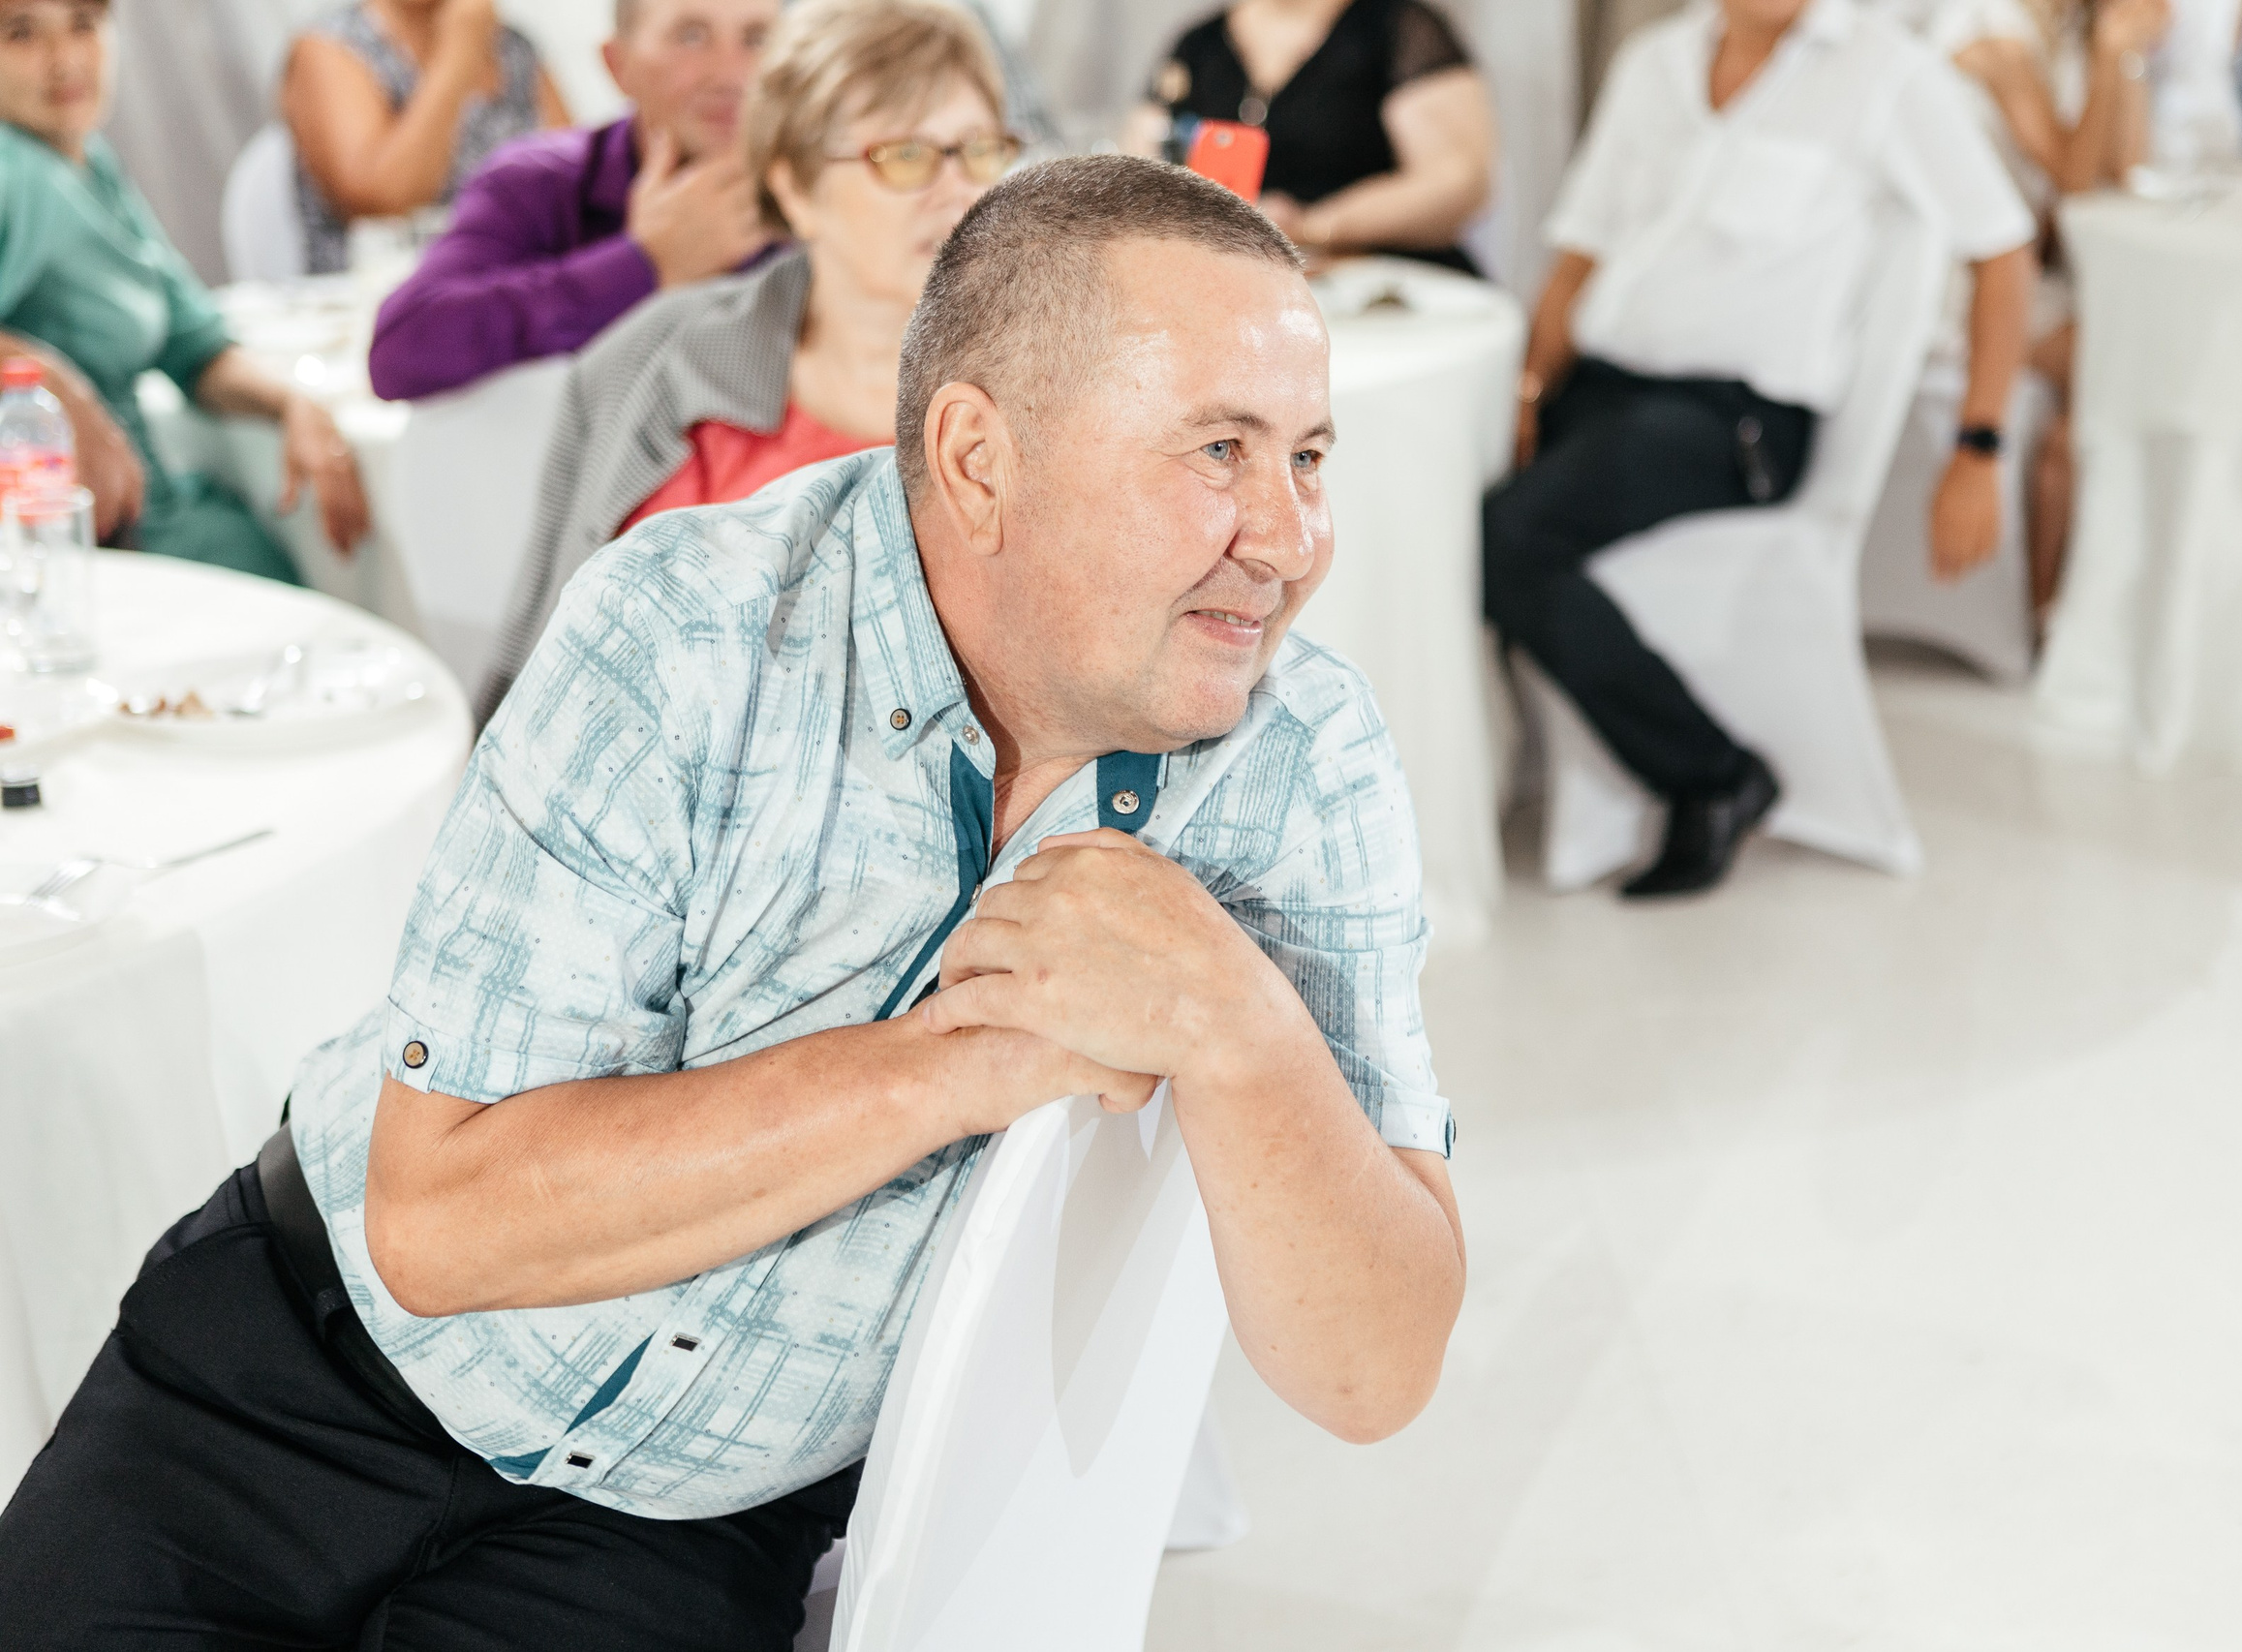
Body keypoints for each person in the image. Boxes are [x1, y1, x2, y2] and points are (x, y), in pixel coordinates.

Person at [0, 151, 1465, 1643]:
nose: (1290, 539)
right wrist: (962, 1062)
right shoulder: (687, 627)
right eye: (1218, 451)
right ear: (980, 460)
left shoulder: (1306, 766)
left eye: (1308, 457)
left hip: (690, 1520)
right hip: (300, 1366)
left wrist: (1238, 1023)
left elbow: (1376, 1370)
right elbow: (436, 1226)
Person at [1485, 0, 2035, 898]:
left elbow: (2003, 252)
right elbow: (1580, 252)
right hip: (1601, 386)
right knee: (1451, 503)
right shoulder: (1654, 63)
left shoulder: (1886, 72)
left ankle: (1712, 774)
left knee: (1507, 535)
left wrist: (1979, 448)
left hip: (1734, 422)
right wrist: (1527, 393)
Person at [481, 0, 1015, 718]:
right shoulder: (656, 359)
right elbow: (539, 646)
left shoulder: (1048, 395)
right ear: (795, 187)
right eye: (905, 155)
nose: (957, 190)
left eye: (979, 150)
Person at [0, 0, 366, 578]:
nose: (64, 60)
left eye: (83, 25)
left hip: (157, 515)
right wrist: (46, 382)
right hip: (75, 549)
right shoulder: (11, 171)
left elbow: (193, 343)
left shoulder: (89, 163)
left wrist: (292, 404)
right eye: (21, 34)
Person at [1891, 0, 2168, 617]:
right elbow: (2075, 183)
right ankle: (2048, 605)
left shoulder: (2061, 32)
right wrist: (2109, 56)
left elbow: (2127, 174)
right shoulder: (1992, 33)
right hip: (1963, 289)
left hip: (2026, 272)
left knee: (2134, 344)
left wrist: (2124, 57)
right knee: (2133, 350)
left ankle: (2071, 559)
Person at [368, 0, 779, 403]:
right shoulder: (537, 183)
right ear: (618, 64)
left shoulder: (811, 196)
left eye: (757, 38)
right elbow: (402, 350)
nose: (731, 74)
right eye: (690, 36)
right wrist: (642, 264)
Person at [1129, 0, 1493, 271]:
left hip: (1384, 280)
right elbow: (1135, 171)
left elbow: (1458, 183)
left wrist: (1312, 226)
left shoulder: (1395, 26)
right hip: (1242, 281)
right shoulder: (1197, 45)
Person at [285, 0, 571, 277]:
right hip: (386, 290)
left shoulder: (514, 48)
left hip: (511, 281)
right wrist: (458, 57)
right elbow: (383, 201)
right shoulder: (330, 45)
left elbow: (573, 187)